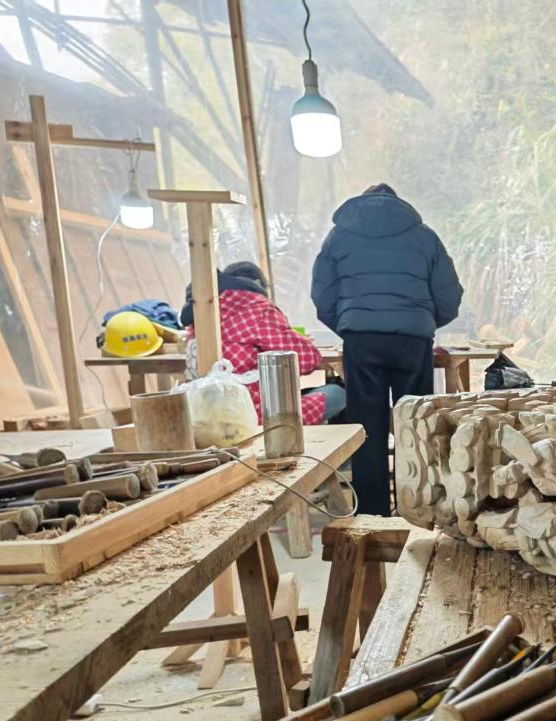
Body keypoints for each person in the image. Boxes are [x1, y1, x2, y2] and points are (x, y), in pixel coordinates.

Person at [312, 183, 463, 514]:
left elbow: (322, 295)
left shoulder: (339, 237)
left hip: (361, 341)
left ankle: (373, 516)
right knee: (415, 425)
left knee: (366, 429)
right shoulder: (424, 237)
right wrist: (422, 322)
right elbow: (449, 295)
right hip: (412, 341)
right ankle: (417, 510)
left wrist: (350, 324)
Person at [180, 261, 345, 425]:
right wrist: (298, 339)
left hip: (201, 417)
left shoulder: (200, 310)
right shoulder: (254, 306)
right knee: (338, 393)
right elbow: (307, 360)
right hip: (253, 416)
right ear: (258, 284)